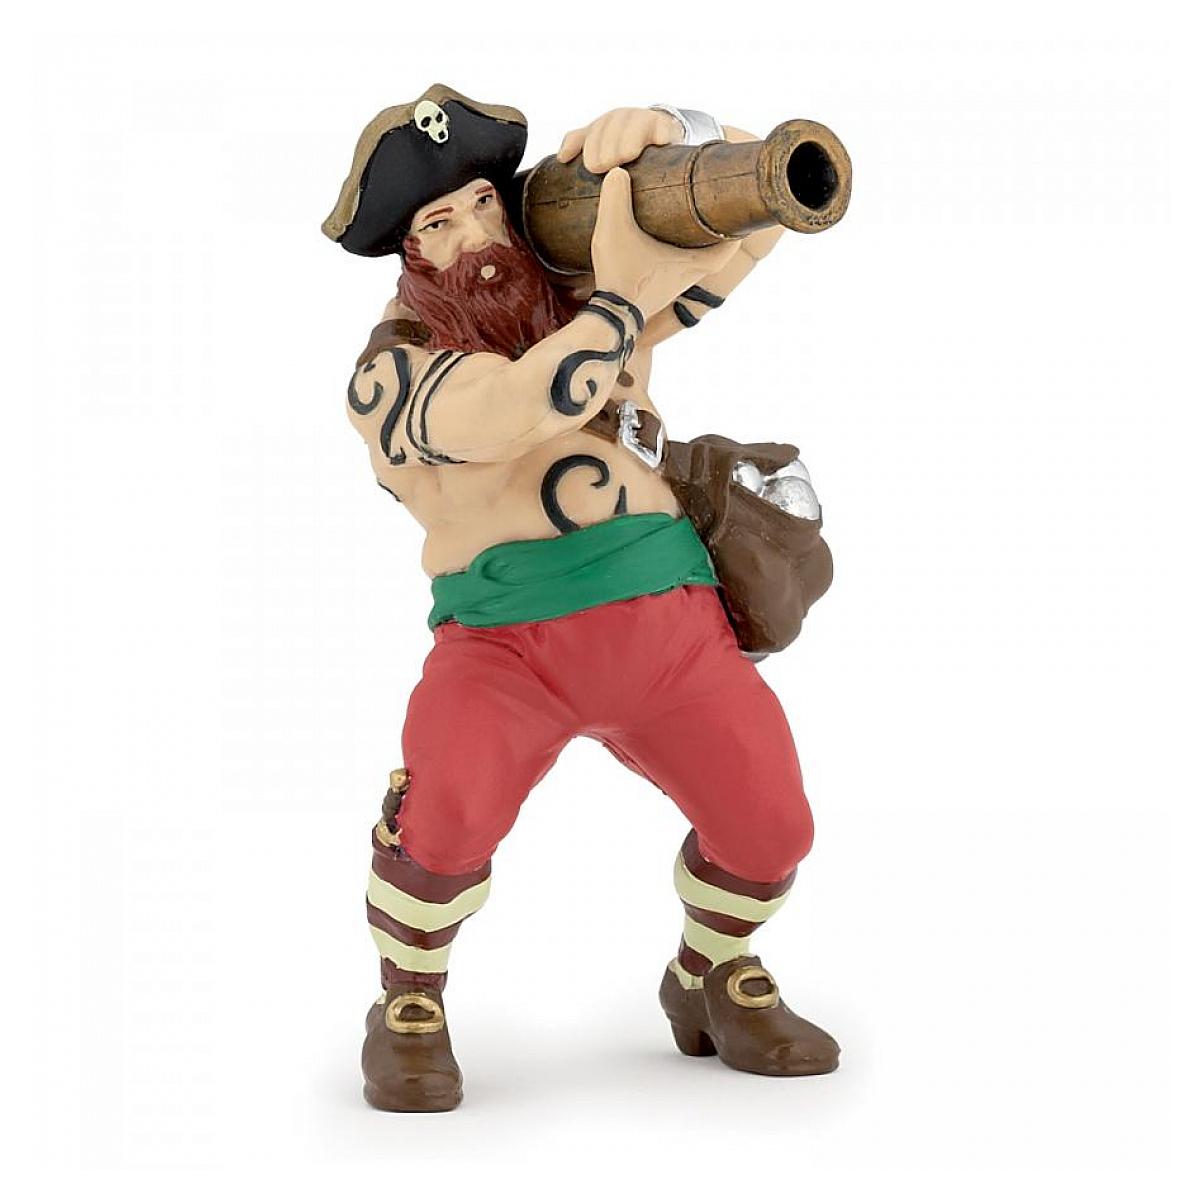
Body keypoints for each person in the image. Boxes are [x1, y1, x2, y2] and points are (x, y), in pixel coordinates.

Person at [324, 85, 839, 1112]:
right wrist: (620, 298)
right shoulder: (393, 374)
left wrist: (673, 138)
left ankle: (710, 974)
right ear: (408, 255)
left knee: (772, 823)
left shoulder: (578, 299)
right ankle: (408, 1000)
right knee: (444, 822)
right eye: (440, 223)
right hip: (506, 650)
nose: (476, 235)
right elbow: (516, 409)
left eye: (485, 204)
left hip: (672, 627)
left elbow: (755, 224)